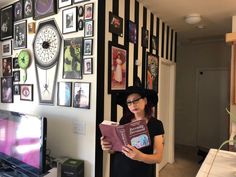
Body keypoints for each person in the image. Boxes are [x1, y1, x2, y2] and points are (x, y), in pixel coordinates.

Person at [100, 86, 165, 177]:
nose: (133, 105)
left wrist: (140, 156)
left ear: (145, 100)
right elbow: (116, 150)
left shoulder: (156, 124)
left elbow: (158, 158)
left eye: (136, 100)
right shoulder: (124, 120)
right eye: (129, 102)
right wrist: (108, 147)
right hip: (119, 169)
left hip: (141, 172)